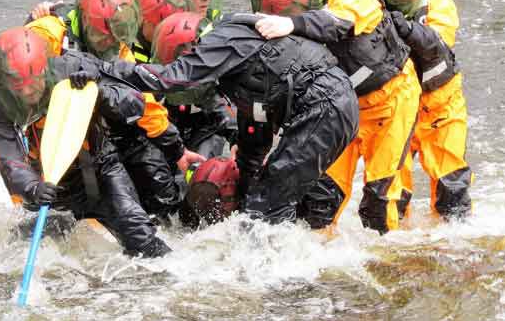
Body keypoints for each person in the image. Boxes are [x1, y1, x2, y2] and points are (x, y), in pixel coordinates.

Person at [69, 13, 360, 225]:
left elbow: (169, 79)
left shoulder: (222, 41)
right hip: (331, 108)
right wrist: (243, 181)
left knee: (265, 209)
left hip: (323, 108)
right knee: (283, 198)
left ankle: (273, 285)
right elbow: (254, 131)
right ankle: (316, 250)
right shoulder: (243, 67)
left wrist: (101, 71)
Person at [250, 0, 421, 233]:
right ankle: (322, 264)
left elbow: (340, 21)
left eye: (288, 11)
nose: (284, 18)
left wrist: (295, 24)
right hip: (343, 107)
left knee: (379, 197)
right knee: (320, 198)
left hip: (391, 100)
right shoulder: (286, 21)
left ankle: (393, 260)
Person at [0, 26, 171, 257]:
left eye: (35, 81)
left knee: (141, 238)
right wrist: (33, 188)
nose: (30, 92)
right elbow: (10, 159)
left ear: (45, 68)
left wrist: (99, 92)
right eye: (20, 86)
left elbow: (135, 103)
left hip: (101, 170)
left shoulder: (73, 66)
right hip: (47, 185)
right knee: (27, 255)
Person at [26, 0, 205, 217]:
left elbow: (144, 102)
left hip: (100, 138)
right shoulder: (49, 32)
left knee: (156, 194)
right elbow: (7, 69)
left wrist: (177, 150)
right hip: (54, 139)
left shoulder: (117, 48)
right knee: (58, 215)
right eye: (104, 36)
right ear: (88, 24)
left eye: (116, 35)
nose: (110, 41)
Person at [374, 0, 472, 219]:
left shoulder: (438, 2)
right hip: (395, 109)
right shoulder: (372, 5)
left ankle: (454, 242)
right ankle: (396, 247)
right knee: (393, 193)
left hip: (440, 104)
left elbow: (437, 44)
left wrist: (403, 27)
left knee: (451, 186)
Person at [150, 12, 238, 159]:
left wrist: (238, 140)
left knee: (199, 169)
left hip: (207, 129)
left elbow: (226, 111)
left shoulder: (212, 81)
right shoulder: (162, 77)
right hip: (173, 127)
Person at [131, 0, 195, 63]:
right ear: (144, 21)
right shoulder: (127, 57)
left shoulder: (190, 42)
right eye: (161, 27)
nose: (170, 35)